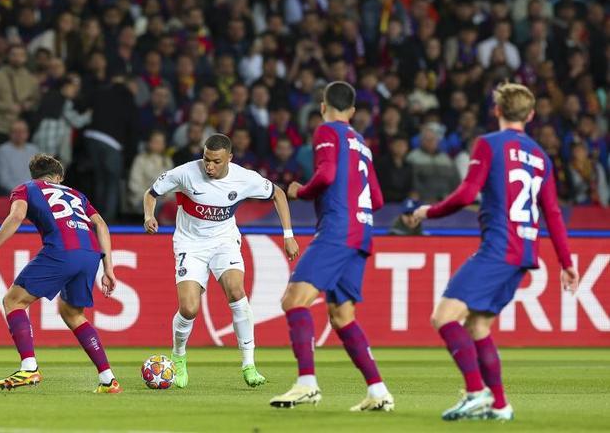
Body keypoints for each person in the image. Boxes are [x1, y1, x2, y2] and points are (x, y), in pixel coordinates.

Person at [413, 83, 579, 421]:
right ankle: (500, 405)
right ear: (531, 115)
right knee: (478, 327)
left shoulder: (489, 144)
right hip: (522, 254)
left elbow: (465, 194)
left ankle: (475, 392)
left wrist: (427, 211)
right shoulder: (541, 157)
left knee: (443, 317)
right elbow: (553, 214)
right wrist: (567, 262)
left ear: (497, 110)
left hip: (498, 248)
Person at [270, 81, 393, 412]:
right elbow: (378, 199)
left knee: (294, 300)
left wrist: (302, 191)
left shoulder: (327, 131)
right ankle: (378, 390)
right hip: (362, 232)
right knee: (341, 315)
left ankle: (306, 383)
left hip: (338, 229)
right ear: (352, 111)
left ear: (323, 106)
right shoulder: (362, 143)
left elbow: (325, 174)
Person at [142, 133, 299, 389]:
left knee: (237, 292)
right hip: (190, 244)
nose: (209, 166)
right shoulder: (185, 173)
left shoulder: (244, 178)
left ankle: (249, 365)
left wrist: (288, 235)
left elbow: (278, 194)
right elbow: (152, 193)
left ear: (229, 158)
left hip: (224, 241)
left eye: (216, 161)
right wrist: (149, 216)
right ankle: (179, 356)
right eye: (206, 159)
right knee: (189, 308)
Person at [0, 154, 121, 394]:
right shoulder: (77, 195)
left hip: (62, 250)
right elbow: (100, 224)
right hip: (90, 253)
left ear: (35, 175)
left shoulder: (25, 189)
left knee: (13, 300)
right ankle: (108, 379)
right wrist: (108, 267)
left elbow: (16, 216)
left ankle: (29, 367)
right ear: (58, 177)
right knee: (72, 313)